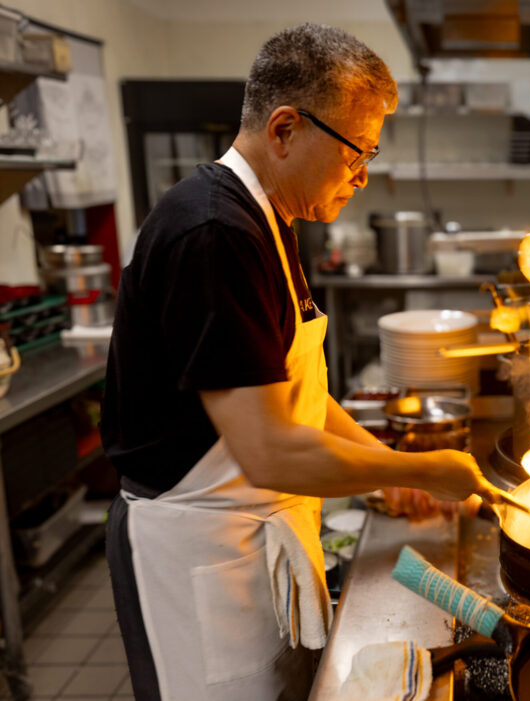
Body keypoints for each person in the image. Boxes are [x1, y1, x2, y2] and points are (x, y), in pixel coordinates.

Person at [101, 24, 498, 701]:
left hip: (246, 541)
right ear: (285, 129)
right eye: (357, 152)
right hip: (197, 556)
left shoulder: (268, 220)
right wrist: (423, 466)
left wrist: (377, 464)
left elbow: (296, 396)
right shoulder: (214, 234)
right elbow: (270, 449)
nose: (363, 174)